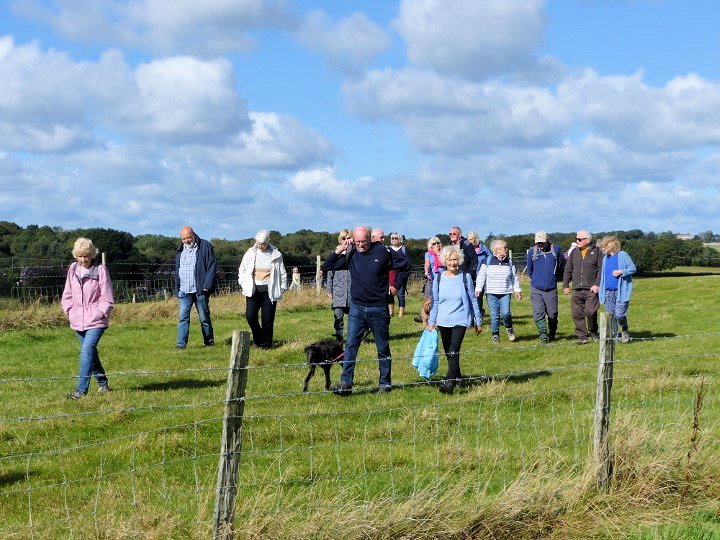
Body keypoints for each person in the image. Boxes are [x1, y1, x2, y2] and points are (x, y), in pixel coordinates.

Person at [322, 226, 395, 395]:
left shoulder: (382, 251)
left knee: (382, 347)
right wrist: (341, 248)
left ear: (371, 239)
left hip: (379, 308)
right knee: (351, 345)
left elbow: (403, 265)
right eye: (357, 242)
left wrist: (395, 285)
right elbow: (327, 266)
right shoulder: (351, 253)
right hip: (357, 308)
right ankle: (346, 383)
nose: (361, 245)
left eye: (364, 241)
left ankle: (385, 384)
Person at [61, 238, 114, 399]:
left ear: (92, 254)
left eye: (86, 256)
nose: (84, 259)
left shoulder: (100, 270)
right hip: (77, 320)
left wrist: (100, 313)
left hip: (96, 321)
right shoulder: (72, 269)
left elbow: (107, 296)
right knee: (91, 353)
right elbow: (67, 294)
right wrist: (70, 311)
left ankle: (80, 390)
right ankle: (103, 384)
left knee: (86, 351)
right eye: (80, 256)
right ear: (75, 256)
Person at [427, 246, 482, 394]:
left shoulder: (465, 277)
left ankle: (449, 382)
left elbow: (473, 300)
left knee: (453, 350)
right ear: (445, 261)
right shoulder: (438, 278)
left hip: (460, 320)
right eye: (450, 259)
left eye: (455, 259)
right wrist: (431, 322)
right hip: (443, 321)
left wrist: (478, 320)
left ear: (459, 260)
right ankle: (458, 378)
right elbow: (435, 302)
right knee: (449, 353)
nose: (452, 262)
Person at [238, 230, 288, 349]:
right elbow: (242, 270)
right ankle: (258, 339)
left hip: (269, 293)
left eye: (263, 244)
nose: (260, 246)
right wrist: (243, 283)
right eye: (258, 243)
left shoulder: (276, 255)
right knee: (250, 316)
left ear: (268, 242)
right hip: (253, 291)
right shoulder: (250, 253)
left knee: (267, 320)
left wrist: (282, 288)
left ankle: (265, 345)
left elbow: (282, 273)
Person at [174, 226, 217, 349]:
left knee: (204, 318)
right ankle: (181, 344)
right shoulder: (180, 249)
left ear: (194, 234)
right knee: (183, 318)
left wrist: (207, 285)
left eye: (188, 237)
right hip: (184, 290)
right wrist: (177, 289)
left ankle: (209, 342)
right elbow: (177, 269)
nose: (187, 241)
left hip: (200, 290)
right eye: (184, 239)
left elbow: (212, 265)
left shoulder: (205, 246)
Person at [475, 239, 522, 344]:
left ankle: (509, 329)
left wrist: (517, 290)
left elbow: (514, 277)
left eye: (506, 247)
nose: (506, 249)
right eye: (504, 248)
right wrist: (478, 289)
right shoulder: (487, 260)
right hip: (491, 293)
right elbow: (481, 276)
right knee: (494, 315)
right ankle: (495, 335)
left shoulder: (509, 262)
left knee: (506, 313)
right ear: (497, 249)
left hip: (505, 292)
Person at [562, 230, 602, 345]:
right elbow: (568, 269)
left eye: (579, 239)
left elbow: (601, 270)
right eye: (576, 239)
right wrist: (565, 285)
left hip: (591, 289)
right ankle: (582, 336)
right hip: (576, 289)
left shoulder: (598, 252)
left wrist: (597, 284)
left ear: (587, 240)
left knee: (590, 312)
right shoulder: (574, 252)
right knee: (576, 314)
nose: (577, 241)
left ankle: (593, 331)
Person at [526, 231, 564, 343]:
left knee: (553, 314)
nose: (540, 245)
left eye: (542, 242)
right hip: (536, 288)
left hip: (551, 288)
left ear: (547, 241)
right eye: (538, 243)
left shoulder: (556, 249)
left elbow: (561, 265)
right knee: (538, 312)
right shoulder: (532, 252)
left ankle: (552, 333)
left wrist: (554, 278)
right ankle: (543, 335)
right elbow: (530, 270)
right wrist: (536, 280)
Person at [598, 236, 637, 343]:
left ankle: (624, 329)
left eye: (604, 246)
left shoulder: (622, 255)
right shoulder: (605, 259)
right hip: (608, 292)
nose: (602, 248)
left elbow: (633, 268)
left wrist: (621, 272)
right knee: (611, 317)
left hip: (621, 292)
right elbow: (603, 276)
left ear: (611, 245)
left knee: (619, 315)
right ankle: (614, 337)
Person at [326, 229, 352, 341]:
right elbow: (329, 274)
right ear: (340, 240)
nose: (346, 240)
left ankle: (354, 338)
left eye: (348, 238)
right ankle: (339, 338)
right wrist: (329, 289)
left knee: (354, 318)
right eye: (343, 238)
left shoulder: (354, 253)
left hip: (352, 291)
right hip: (338, 291)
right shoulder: (335, 254)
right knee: (338, 317)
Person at [466, 230, 491, 323]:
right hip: (470, 276)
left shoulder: (483, 249)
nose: (469, 241)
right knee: (469, 297)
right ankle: (471, 317)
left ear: (476, 239)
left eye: (471, 239)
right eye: (468, 239)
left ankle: (477, 318)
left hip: (480, 276)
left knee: (478, 297)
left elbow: (490, 258)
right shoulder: (466, 249)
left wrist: (485, 267)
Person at [388, 232, 413, 317]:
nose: (394, 240)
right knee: (390, 293)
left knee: (401, 294)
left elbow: (408, 263)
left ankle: (400, 314)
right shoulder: (388, 250)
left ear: (400, 239)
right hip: (391, 274)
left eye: (396, 238)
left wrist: (401, 269)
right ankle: (391, 313)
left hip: (402, 274)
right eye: (392, 238)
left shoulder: (404, 249)